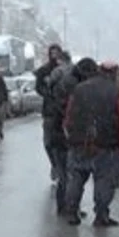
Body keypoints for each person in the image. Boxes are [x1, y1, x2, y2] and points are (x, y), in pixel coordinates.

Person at [59, 57, 119, 227]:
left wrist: (72, 137)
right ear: (115, 73)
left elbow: (68, 118)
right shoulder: (118, 92)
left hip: (79, 143)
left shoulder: (79, 89)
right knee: (104, 181)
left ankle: (72, 212)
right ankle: (101, 215)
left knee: (75, 179)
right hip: (107, 145)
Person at [35, 44, 77, 198]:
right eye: (51, 52)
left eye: (56, 53)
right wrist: (48, 93)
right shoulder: (45, 70)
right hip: (50, 110)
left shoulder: (71, 71)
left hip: (65, 110)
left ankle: (62, 171)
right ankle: (56, 165)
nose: (54, 56)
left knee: (62, 143)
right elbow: (38, 86)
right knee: (48, 142)